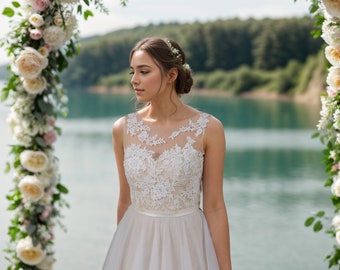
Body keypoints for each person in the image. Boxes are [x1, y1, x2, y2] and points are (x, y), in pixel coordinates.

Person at [102, 37, 232, 270]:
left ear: (171, 75)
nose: (134, 80)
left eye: (144, 71)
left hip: (187, 245)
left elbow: (214, 207)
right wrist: (122, 254)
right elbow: (124, 200)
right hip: (136, 245)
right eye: (132, 72)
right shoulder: (123, 128)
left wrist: (225, 267)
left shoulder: (209, 129)